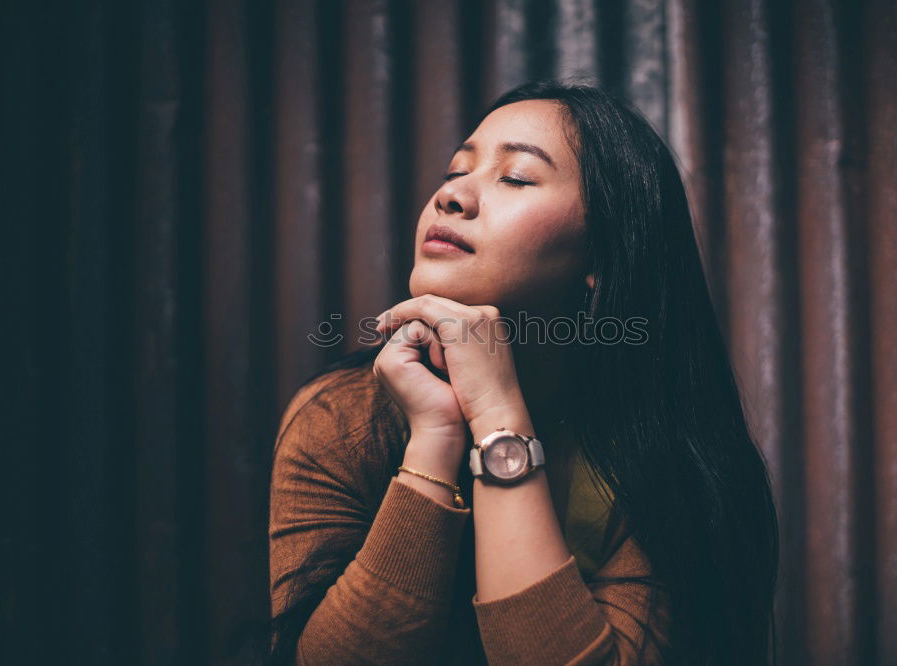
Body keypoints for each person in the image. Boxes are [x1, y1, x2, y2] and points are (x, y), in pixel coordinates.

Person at [263, 80, 779, 665]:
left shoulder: (665, 457)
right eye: (456, 170)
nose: (453, 196)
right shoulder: (341, 415)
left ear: (603, 257)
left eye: (515, 178)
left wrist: (498, 420)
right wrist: (435, 440)